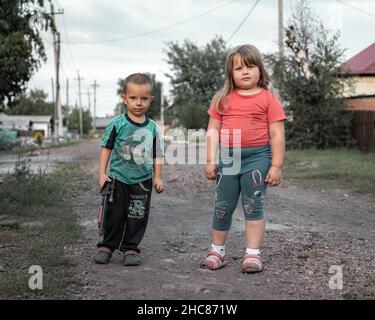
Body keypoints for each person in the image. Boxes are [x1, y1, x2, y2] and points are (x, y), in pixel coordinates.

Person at [200, 45, 286, 273]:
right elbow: (212, 131)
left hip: (258, 158)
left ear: (260, 70)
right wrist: (210, 160)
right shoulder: (222, 99)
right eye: (238, 68)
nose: (245, 71)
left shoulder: (269, 99)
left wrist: (276, 165)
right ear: (231, 74)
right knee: (223, 205)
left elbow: (277, 134)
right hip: (228, 158)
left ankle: (253, 254)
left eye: (250, 66)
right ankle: (217, 250)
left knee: (253, 205)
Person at [94, 73, 164, 266]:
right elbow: (106, 148)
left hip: (142, 181)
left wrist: (157, 177)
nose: (138, 103)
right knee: (114, 214)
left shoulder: (153, 128)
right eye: (133, 98)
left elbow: (158, 154)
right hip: (118, 178)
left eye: (143, 99)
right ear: (124, 98)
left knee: (137, 215)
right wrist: (102, 174)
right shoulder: (118, 123)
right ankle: (107, 245)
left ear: (151, 100)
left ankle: (130, 248)